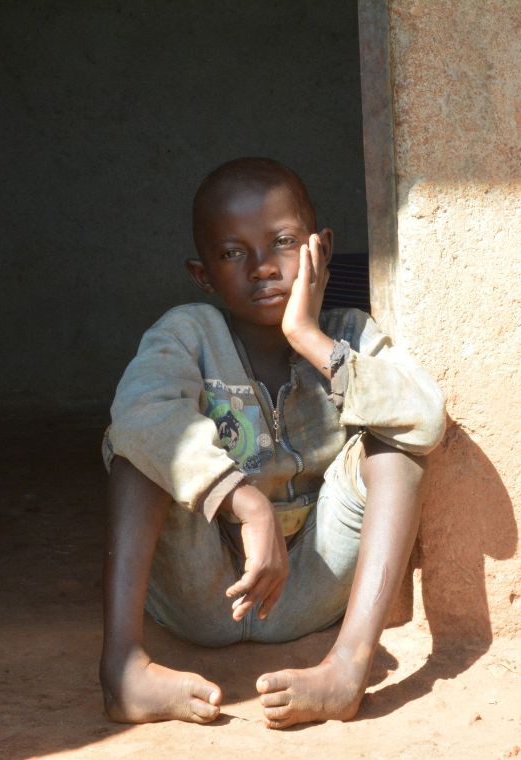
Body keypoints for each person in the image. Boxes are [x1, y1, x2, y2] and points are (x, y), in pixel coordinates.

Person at [98, 157, 445, 729]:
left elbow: (425, 420)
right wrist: (245, 502)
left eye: (282, 242)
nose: (262, 267)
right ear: (203, 275)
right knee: (138, 447)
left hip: (311, 584)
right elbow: (140, 416)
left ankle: (347, 670)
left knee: (395, 448)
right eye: (233, 253)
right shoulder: (188, 334)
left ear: (320, 249)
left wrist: (308, 338)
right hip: (201, 586)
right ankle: (123, 670)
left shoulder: (349, 333)